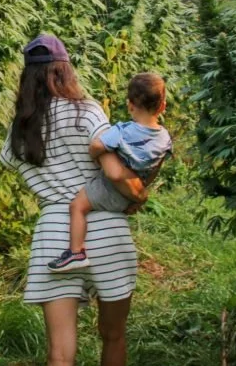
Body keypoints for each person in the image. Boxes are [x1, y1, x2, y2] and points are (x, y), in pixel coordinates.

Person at [0, 34, 146, 366]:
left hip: (53, 233)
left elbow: (9, 160)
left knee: (59, 355)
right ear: (64, 70)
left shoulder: (21, 127)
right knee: (113, 336)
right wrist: (138, 195)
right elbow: (113, 169)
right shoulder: (88, 112)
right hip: (106, 226)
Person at [48, 72, 172, 273]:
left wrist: (96, 155)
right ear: (162, 106)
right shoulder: (165, 139)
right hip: (130, 194)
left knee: (77, 207)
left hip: (109, 189)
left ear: (130, 104)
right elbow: (155, 169)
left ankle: (76, 252)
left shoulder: (122, 130)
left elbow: (97, 145)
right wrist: (138, 194)